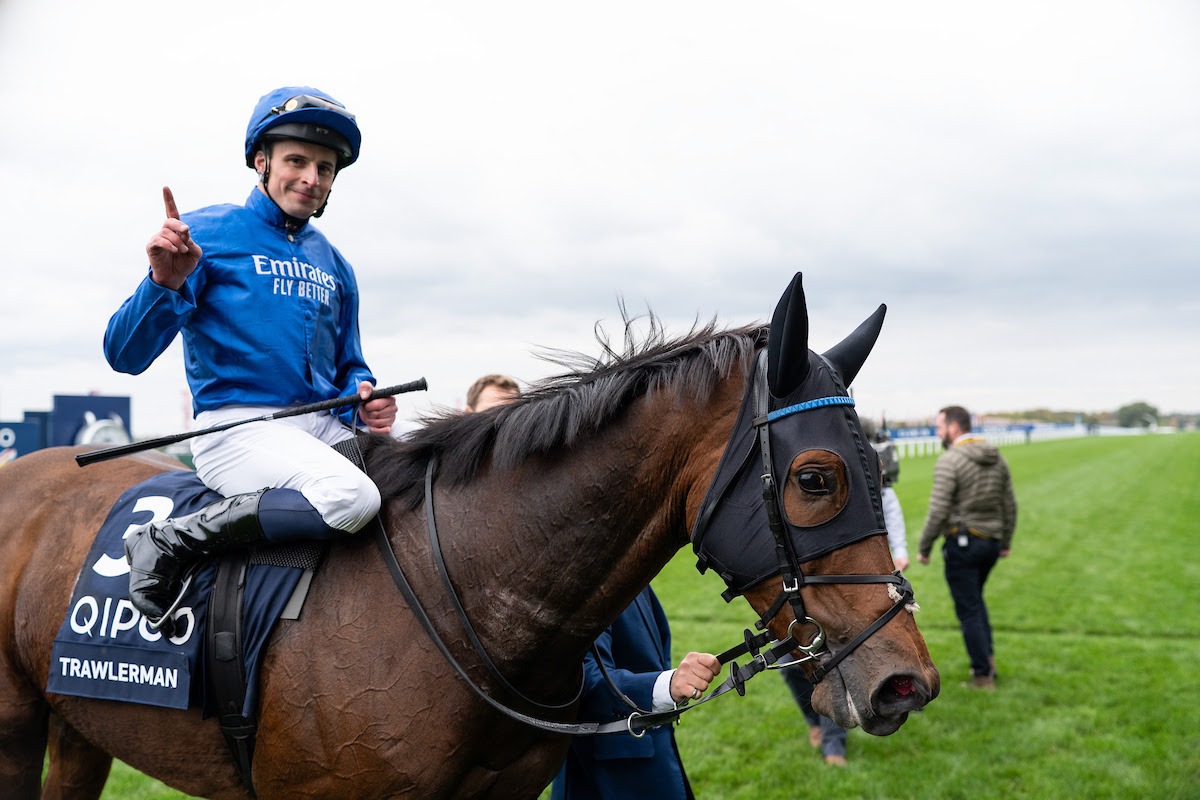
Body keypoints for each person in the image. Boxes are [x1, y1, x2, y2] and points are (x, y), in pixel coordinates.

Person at [103, 86, 397, 633]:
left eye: (326, 168)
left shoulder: (336, 262)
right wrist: (162, 284)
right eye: (297, 161)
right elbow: (123, 355)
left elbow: (351, 366)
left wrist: (366, 399)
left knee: (417, 481)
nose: (312, 178)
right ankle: (168, 541)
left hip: (320, 428)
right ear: (261, 162)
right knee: (352, 497)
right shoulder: (206, 233)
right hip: (235, 430)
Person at [779, 421, 908, 766]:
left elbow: (890, 505)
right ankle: (815, 723)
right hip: (802, 583)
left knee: (831, 660)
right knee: (788, 666)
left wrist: (900, 550)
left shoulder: (861, 465)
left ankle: (834, 743)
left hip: (850, 584)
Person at [549, 586, 721, 800]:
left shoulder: (636, 575)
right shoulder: (585, 580)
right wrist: (667, 685)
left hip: (658, 761)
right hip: (608, 779)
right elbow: (585, 680)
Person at [917, 405, 1017, 690]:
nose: (938, 433)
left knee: (969, 609)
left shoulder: (950, 460)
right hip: (992, 543)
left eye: (939, 427)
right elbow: (1009, 505)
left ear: (953, 427)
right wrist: (1006, 542)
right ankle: (989, 660)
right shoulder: (996, 457)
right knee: (976, 602)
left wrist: (924, 548)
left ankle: (982, 675)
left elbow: (938, 511)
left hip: (963, 544)